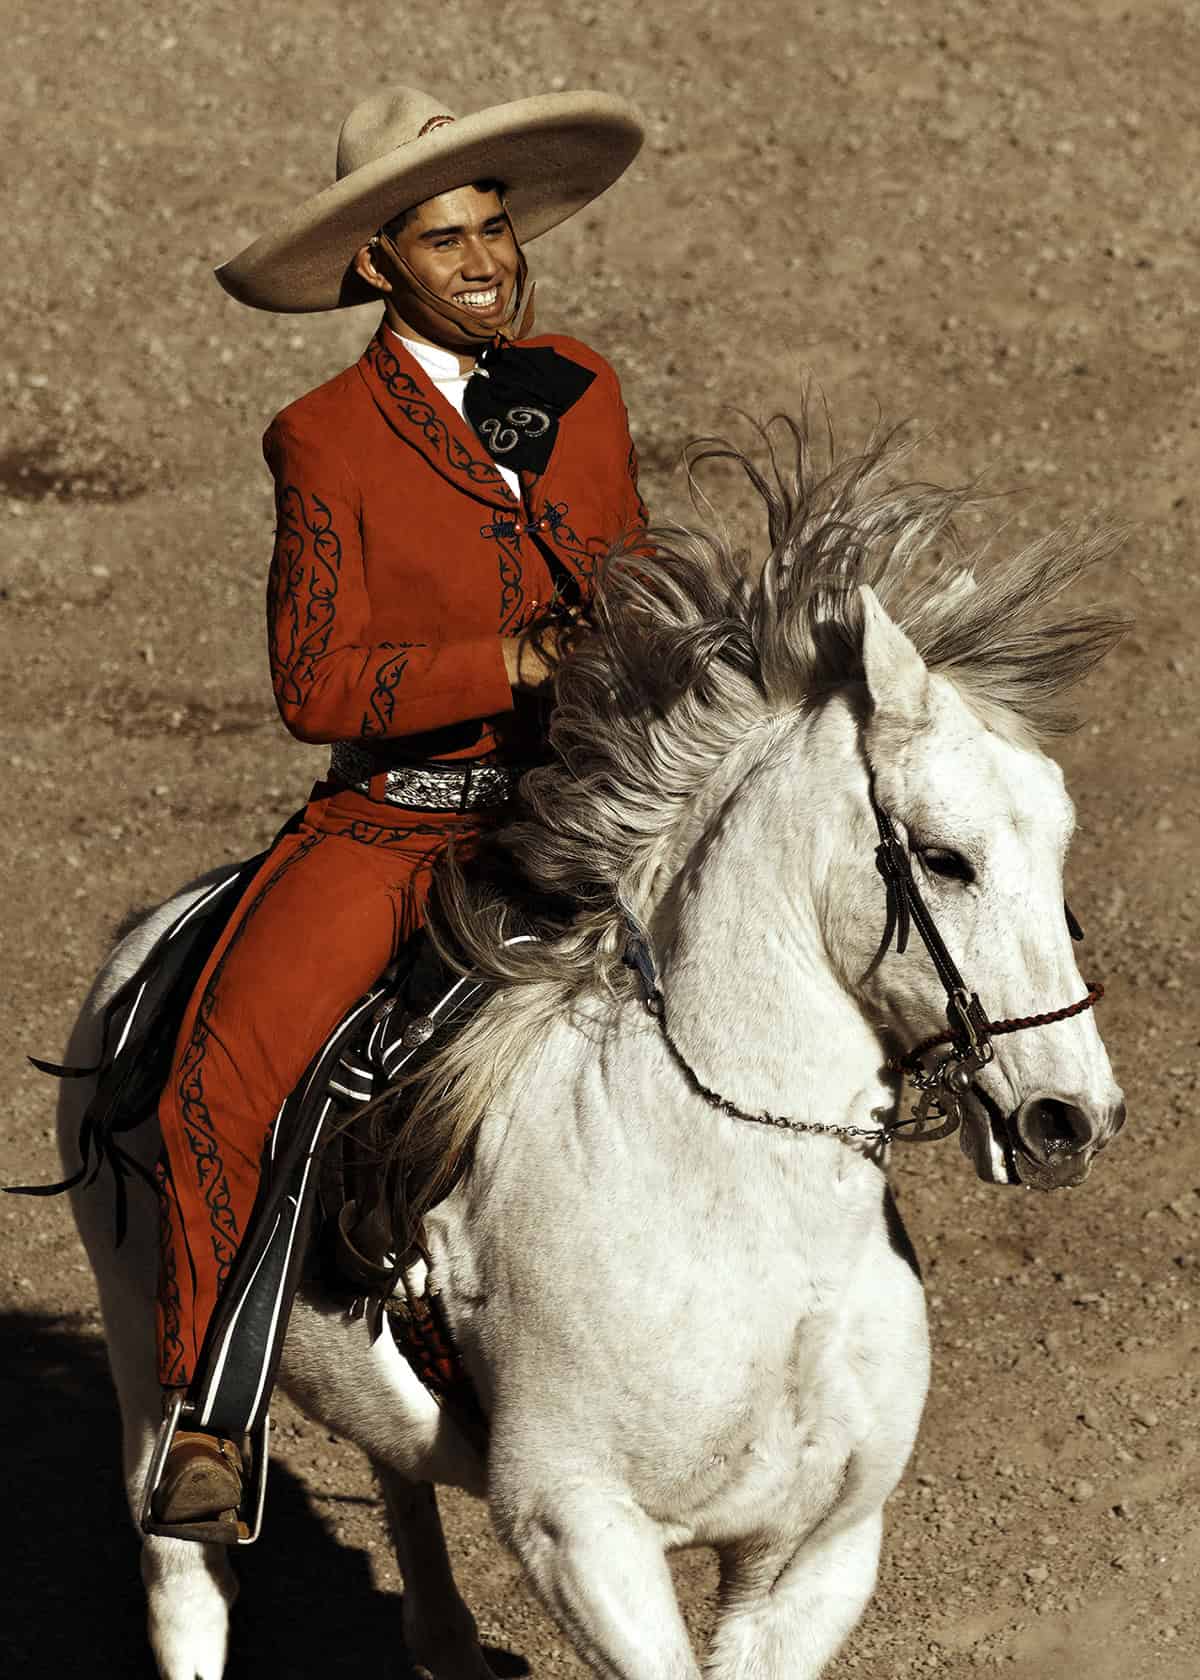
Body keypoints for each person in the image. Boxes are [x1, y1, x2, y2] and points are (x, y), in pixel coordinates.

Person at [149, 85, 646, 1536]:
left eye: (496, 226)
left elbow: (637, 569)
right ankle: (209, 1418)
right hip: (400, 822)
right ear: (379, 264)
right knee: (215, 1089)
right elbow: (311, 678)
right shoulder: (322, 437)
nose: (489, 259)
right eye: (447, 239)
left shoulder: (583, 387)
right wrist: (509, 659)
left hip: (589, 800)